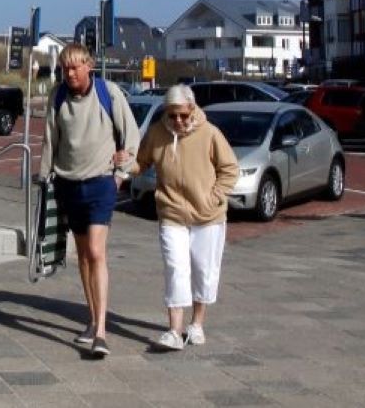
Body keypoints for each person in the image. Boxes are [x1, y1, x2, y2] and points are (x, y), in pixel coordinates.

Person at [38, 43, 140, 358]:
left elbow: (131, 135)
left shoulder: (108, 93)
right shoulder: (57, 97)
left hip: (101, 183)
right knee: (81, 256)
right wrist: (43, 180)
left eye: (75, 67)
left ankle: (101, 332)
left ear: (89, 66)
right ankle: (92, 317)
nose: (69, 73)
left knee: (96, 252)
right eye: (65, 68)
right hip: (69, 184)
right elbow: (49, 141)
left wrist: (121, 173)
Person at [130, 84, 238, 351]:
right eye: (172, 114)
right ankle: (174, 330)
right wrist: (122, 163)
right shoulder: (157, 133)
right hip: (171, 213)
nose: (177, 120)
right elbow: (141, 162)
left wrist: (214, 196)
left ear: (192, 109)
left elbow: (230, 169)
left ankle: (197, 323)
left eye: (183, 115)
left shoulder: (210, 134)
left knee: (204, 269)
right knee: (176, 268)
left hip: (208, 216)